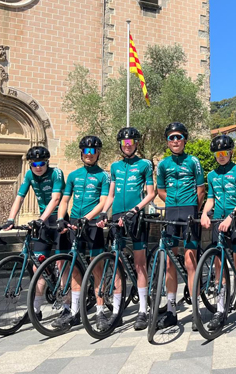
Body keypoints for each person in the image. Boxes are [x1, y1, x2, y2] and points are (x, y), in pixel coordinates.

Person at [97, 127, 156, 331]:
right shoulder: (115, 166)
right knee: (117, 263)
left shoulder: (144, 164)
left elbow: (151, 193)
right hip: (117, 215)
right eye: (124, 143)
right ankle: (117, 311)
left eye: (130, 142)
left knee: (140, 263)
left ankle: (143, 310)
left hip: (136, 215)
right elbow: (111, 195)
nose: (127, 145)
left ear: (136, 144)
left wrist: (135, 210)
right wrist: (104, 212)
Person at [54, 136, 110, 329]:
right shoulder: (73, 175)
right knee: (74, 268)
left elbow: (103, 201)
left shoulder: (103, 176)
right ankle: (74, 311)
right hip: (75, 223)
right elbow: (64, 200)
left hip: (92, 224)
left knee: (97, 268)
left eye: (93, 151)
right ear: (81, 153)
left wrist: (88, 217)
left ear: (98, 153)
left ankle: (100, 312)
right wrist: (60, 218)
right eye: (86, 151)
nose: (89, 154)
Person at [4, 146, 65, 317]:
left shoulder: (56, 173)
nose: (37, 167)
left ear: (47, 162)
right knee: (37, 265)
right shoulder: (29, 175)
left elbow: (56, 199)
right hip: (43, 221)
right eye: (34, 164)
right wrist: (10, 219)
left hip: (58, 218)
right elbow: (20, 197)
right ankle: (35, 310)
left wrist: (40, 220)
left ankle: (67, 306)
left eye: (41, 163)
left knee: (62, 263)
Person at [155, 122, 206, 330]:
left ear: (184, 139)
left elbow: (201, 189)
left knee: (190, 261)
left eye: (178, 137)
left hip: (189, 211)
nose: (175, 141)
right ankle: (171, 310)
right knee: (169, 262)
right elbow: (160, 190)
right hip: (171, 212)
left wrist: (193, 207)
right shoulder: (163, 164)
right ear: (167, 141)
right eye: (171, 137)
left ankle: (195, 311)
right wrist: (171, 202)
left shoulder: (193, 161)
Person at [200, 135, 236, 331]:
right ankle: (220, 310)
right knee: (218, 267)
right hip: (217, 221)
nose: (221, 156)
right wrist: (204, 213)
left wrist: (232, 216)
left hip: (235, 220)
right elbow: (210, 199)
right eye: (217, 153)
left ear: (230, 152)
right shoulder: (211, 175)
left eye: (224, 153)